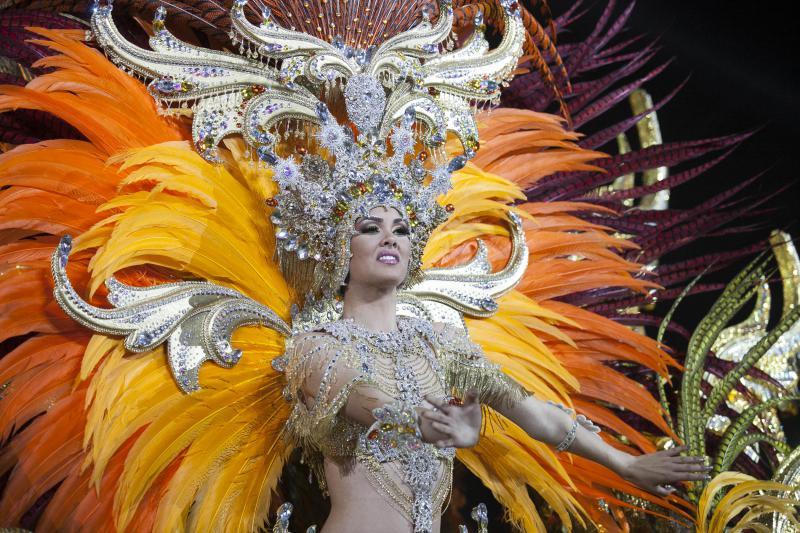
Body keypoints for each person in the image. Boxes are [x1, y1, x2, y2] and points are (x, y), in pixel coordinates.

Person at [281, 205, 711, 533]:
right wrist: (431, 425)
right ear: (341, 246)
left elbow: (531, 410)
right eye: (371, 228)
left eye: (402, 230)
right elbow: (365, 400)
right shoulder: (316, 347)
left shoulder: (439, 343)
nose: (389, 239)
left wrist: (625, 464)